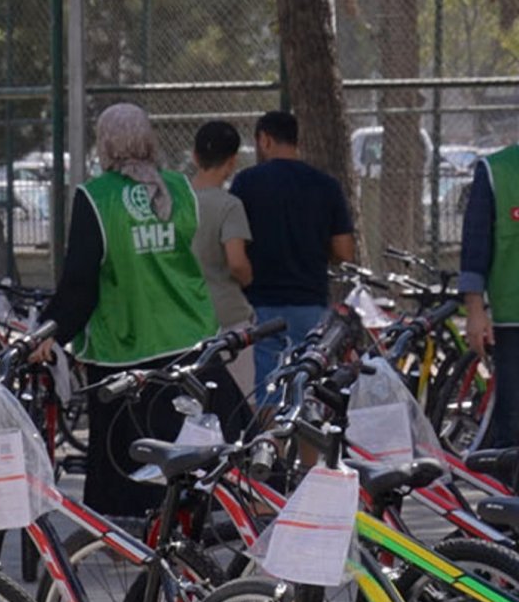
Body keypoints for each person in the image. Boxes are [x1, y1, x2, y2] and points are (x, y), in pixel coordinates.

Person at [37, 104, 232, 519]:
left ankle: (123, 535)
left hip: (124, 344)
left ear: (105, 142)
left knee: (120, 453)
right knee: (183, 445)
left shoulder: (97, 197)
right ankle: (186, 525)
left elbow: (80, 282)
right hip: (188, 335)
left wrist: (48, 332)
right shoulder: (181, 189)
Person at [231, 110, 356, 387]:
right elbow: (344, 251)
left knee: (267, 384)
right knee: (308, 380)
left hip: (262, 302)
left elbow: (235, 246)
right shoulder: (326, 185)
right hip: (310, 299)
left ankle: (270, 429)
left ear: (265, 140)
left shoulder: (246, 183)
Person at [187, 120, 257, 407]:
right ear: (232, 162)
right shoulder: (229, 205)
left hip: (184, 316)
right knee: (243, 400)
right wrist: (249, 279)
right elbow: (237, 262)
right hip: (227, 315)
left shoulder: (174, 201)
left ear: (194, 156)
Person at [460, 141, 519, 446]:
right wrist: (475, 311)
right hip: (512, 324)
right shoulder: (496, 171)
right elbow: (475, 246)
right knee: (514, 424)